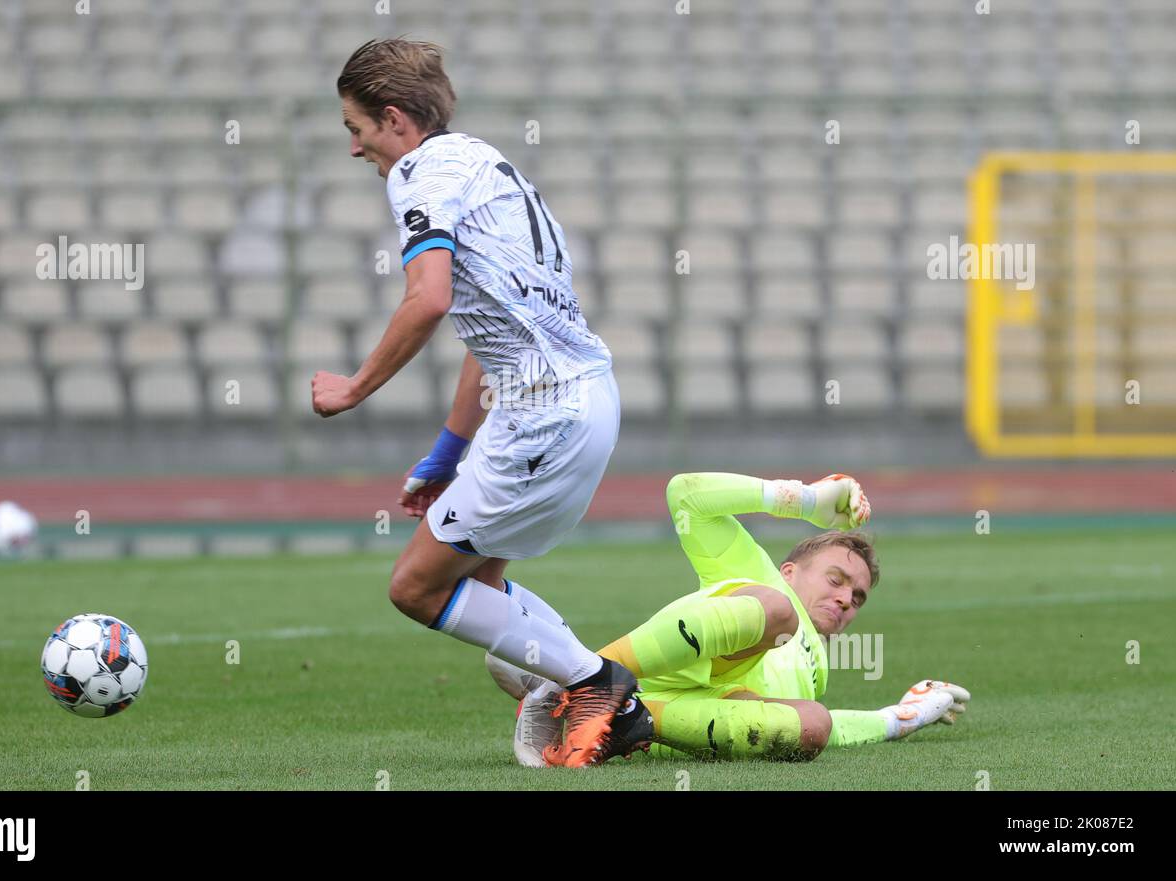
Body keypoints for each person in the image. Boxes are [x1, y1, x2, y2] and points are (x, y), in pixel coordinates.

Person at [309, 39, 634, 766]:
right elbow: (485, 334)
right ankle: (584, 690)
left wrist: (354, 387)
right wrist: (447, 454)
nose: (355, 148)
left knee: (416, 588)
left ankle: (597, 685)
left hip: (545, 411)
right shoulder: (486, 165)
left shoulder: (420, 173)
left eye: (354, 129)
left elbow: (428, 300)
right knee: (480, 584)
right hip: (576, 399)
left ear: (393, 119)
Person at [490, 472, 971, 765]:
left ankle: (595, 709)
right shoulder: (759, 573)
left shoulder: (816, 671)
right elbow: (687, 494)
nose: (847, 599)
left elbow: (840, 731)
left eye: (859, 596)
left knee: (813, 725)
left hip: (680, 717)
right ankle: (581, 677)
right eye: (837, 579)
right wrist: (804, 499)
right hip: (693, 651)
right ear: (790, 569)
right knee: (776, 614)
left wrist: (901, 718)